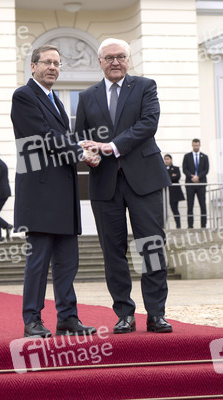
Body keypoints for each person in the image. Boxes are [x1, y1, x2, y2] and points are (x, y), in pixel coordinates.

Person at [75, 38, 173, 334]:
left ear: (128, 60)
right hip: (105, 183)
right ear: (100, 62)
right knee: (112, 251)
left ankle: (156, 314)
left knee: (151, 247)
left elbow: (148, 124)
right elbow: (81, 135)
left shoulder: (145, 86)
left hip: (144, 179)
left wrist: (111, 146)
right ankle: (124, 314)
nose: (115, 61)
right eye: (109, 57)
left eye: (120, 57)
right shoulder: (86, 96)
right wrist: (87, 153)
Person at [11, 44, 98, 338]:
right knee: (38, 262)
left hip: (64, 194)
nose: (52, 68)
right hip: (40, 195)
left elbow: (61, 139)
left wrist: (82, 149)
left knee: (67, 262)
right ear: (33, 66)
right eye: (47, 62)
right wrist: (80, 151)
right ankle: (32, 320)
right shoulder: (24, 96)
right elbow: (42, 138)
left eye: (57, 64)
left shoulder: (57, 102)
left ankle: (68, 317)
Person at [182, 139, 209, 229]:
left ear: (200, 145)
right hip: (190, 184)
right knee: (190, 205)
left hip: (201, 184)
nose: (196, 147)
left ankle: (203, 226)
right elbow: (184, 169)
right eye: (194, 145)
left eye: (197, 145)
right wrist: (191, 176)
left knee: (203, 205)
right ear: (192, 145)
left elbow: (206, 169)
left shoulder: (204, 157)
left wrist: (198, 177)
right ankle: (190, 226)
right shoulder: (187, 156)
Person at [164, 154, 185, 229]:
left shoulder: (175, 168)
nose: (166, 160)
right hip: (164, 193)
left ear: (171, 160)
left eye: (168, 159)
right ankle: (163, 227)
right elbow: (162, 179)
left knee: (175, 209)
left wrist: (168, 178)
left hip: (174, 193)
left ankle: (178, 226)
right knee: (164, 211)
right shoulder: (162, 169)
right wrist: (171, 176)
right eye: (165, 159)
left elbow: (177, 177)